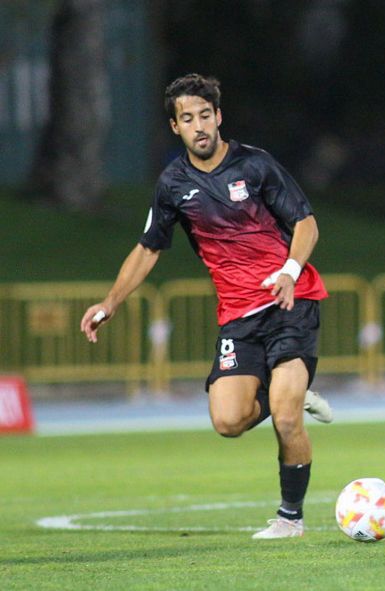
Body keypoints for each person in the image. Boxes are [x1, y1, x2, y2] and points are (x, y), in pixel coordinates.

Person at [79, 74, 335, 539]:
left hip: (290, 303)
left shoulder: (255, 166)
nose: (197, 126)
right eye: (186, 119)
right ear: (175, 128)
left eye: (204, 115)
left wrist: (290, 271)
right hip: (237, 317)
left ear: (218, 117)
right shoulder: (174, 183)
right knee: (228, 421)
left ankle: (290, 517)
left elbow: (307, 224)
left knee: (285, 413)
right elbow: (148, 248)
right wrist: (110, 301)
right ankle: (289, 396)